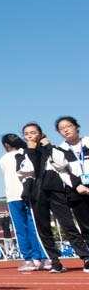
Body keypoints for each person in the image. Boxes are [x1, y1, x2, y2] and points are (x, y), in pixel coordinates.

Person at [21, 122, 89, 273]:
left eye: (33, 132)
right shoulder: (22, 152)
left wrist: (48, 146)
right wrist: (31, 150)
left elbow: (61, 163)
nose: (30, 135)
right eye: (26, 134)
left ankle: (85, 257)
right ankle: (55, 261)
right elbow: (27, 170)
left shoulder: (52, 148)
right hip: (36, 193)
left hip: (56, 190)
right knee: (43, 228)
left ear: (40, 133)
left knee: (68, 224)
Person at [0, 133, 47, 271]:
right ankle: (42, 257)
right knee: (35, 226)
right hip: (29, 193)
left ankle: (29, 260)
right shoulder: (27, 152)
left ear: (6, 145)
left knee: (21, 229)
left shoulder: (3, 159)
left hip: (13, 196)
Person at [54, 116, 89, 273]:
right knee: (85, 225)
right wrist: (77, 186)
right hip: (76, 191)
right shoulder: (59, 150)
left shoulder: (87, 142)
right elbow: (63, 172)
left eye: (69, 126)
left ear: (76, 126)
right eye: (62, 128)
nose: (66, 129)